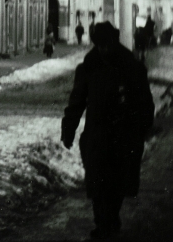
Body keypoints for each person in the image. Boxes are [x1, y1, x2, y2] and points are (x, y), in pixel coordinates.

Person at [61, 22, 154, 239]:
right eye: (99, 45)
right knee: (97, 184)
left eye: (106, 44)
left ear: (114, 41)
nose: (103, 49)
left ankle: (110, 218)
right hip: (97, 136)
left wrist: (143, 127)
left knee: (117, 183)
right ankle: (103, 223)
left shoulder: (132, 67)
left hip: (124, 136)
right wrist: (69, 128)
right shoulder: (88, 67)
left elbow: (145, 102)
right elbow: (76, 101)